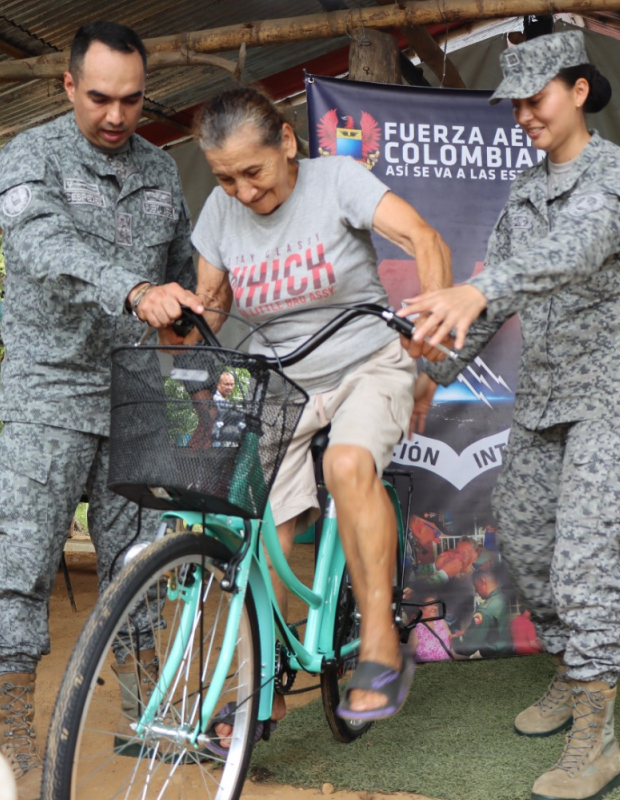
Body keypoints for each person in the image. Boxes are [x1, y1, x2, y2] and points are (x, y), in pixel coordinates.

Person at [400, 30, 620, 800]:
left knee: (586, 556)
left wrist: (479, 289)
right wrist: (431, 368)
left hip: (611, 397)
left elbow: (574, 252)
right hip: (545, 398)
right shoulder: (524, 188)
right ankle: (567, 671)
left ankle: (597, 736)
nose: (523, 113)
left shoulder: (618, 174)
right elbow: (495, 291)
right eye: (514, 102)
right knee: (522, 541)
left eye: (535, 97)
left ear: (578, 90)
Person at [182, 86, 452, 733]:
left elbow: (423, 237)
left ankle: (382, 640)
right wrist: (185, 338)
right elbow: (210, 304)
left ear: (287, 142)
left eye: (254, 172)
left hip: (366, 362)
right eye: (226, 178)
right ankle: (265, 680)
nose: (243, 192)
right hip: (280, 379)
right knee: (263, 517)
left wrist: (431, 328)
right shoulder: (221, 210)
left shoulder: (338, 181)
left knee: (349, 464)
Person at [0, 21, 202, 799]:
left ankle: (147, 713)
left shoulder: (162, 170)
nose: (117, 116)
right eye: (101, 97)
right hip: (51, 392)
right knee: (26, 560)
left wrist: (197, 300)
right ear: (68, 85)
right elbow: (44, 247)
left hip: (135, 391)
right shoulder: (27, 159)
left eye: (133, 100)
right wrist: (133, 289)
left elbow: (182, 268)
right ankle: (11, 727)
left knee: (139, 561)